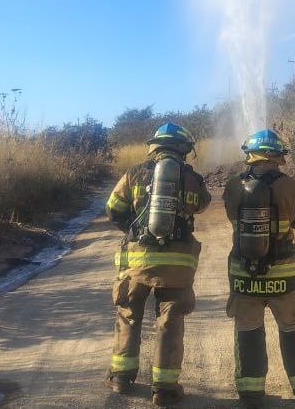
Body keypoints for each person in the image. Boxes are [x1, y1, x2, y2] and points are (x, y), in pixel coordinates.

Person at [105, 122, 211, 406]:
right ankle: (164, 389)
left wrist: (136, 231)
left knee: (128, 315)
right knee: (170, 322)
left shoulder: (134, 173)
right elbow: (202, 204)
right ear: (185, 149)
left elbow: (113, 208)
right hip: (177, 266)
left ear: (155, 146)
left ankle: (120, 379)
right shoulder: (192, 178)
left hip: (137, 263)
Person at [223, 128, 295, 408]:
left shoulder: (232, 186)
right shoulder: (291, 186)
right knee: (292, 326)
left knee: (247, 328)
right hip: (284, 275)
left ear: (249, 155)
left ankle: (251, 392)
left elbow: (232, 218)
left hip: (244, 275)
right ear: (278, 156)